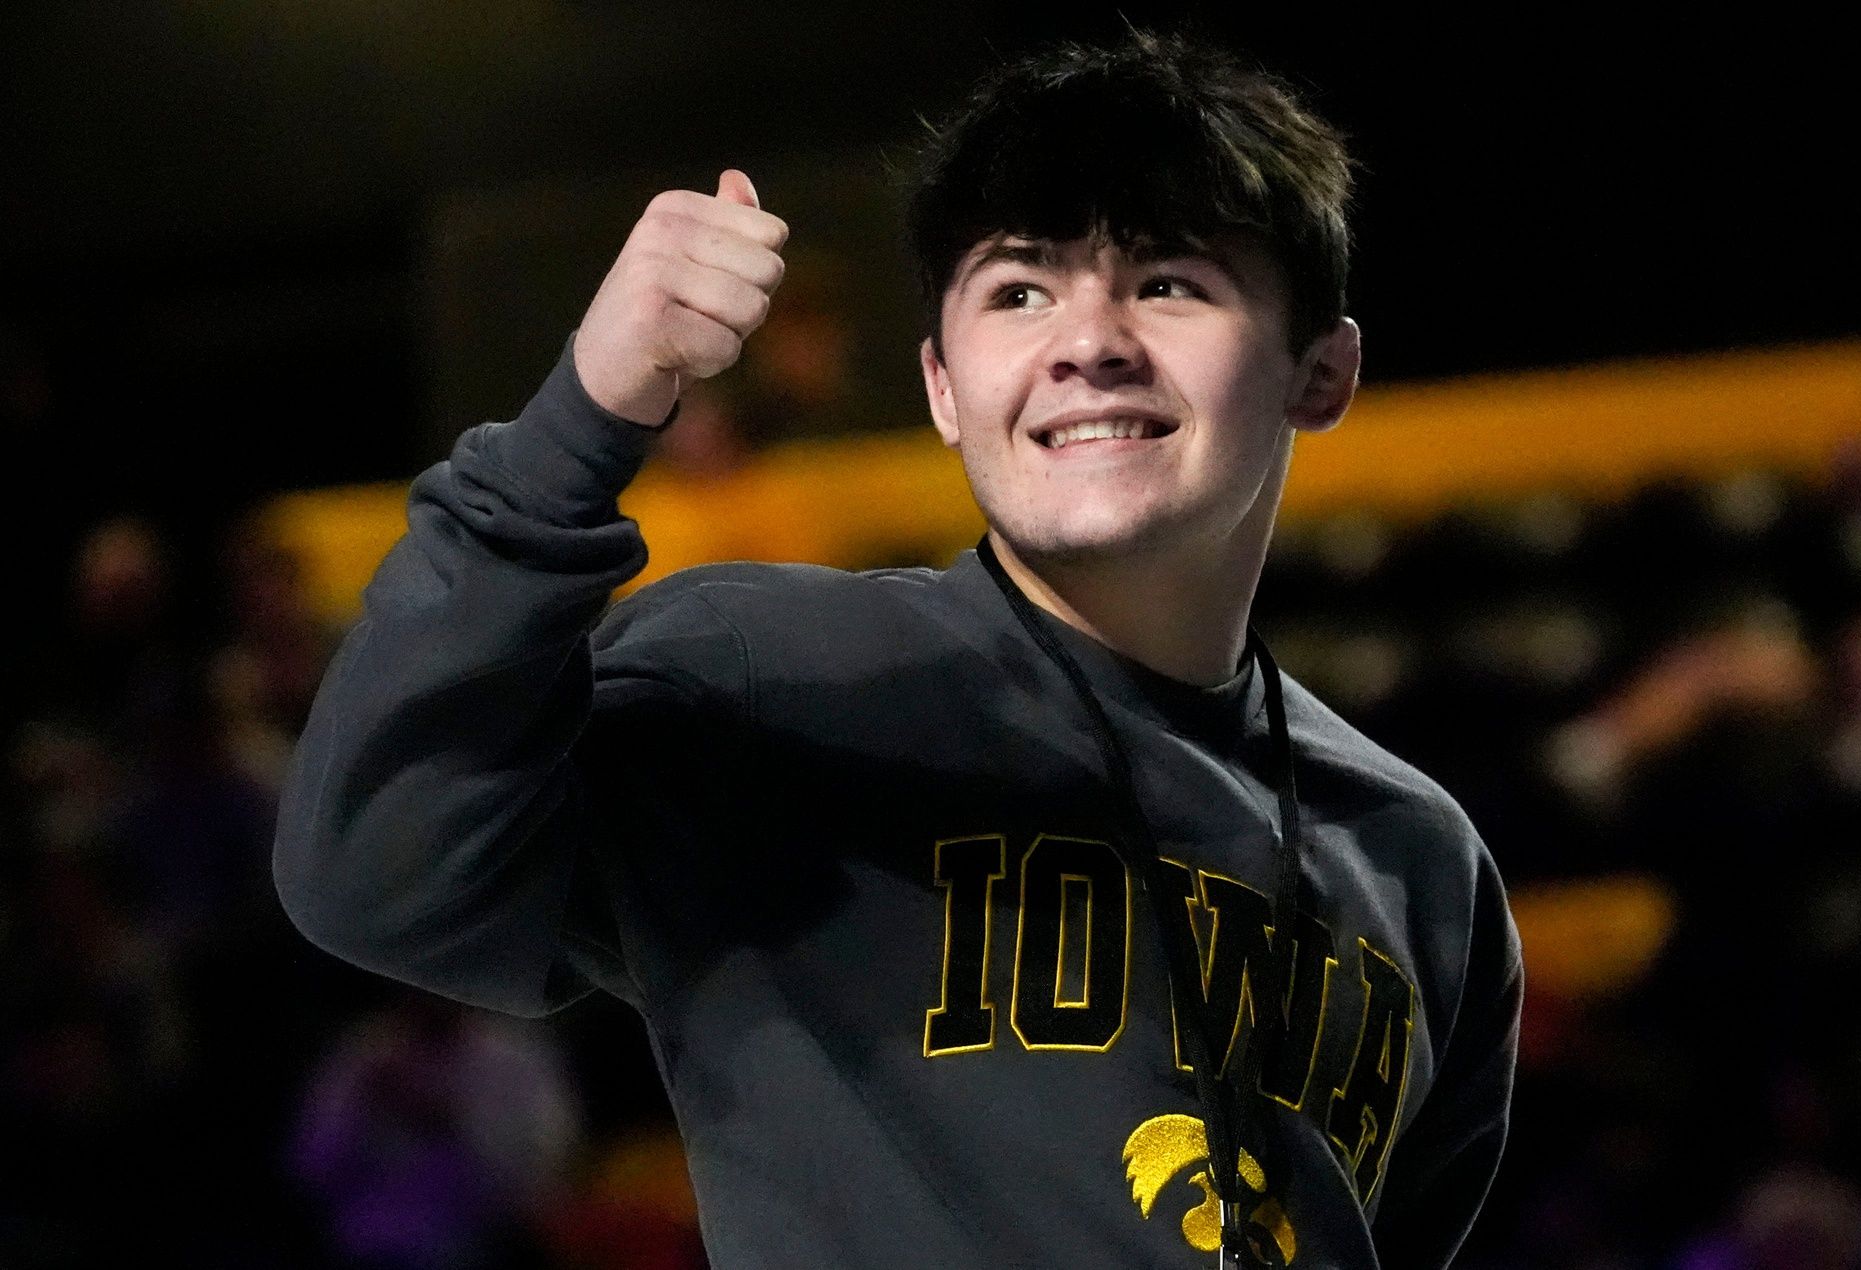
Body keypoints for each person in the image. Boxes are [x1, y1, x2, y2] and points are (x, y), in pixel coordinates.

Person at [274, 27, 1522, 1269]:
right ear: (939, 385)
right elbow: (377, 876)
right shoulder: (772, 679)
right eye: (1018, 291)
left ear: (1322, 369)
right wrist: (583, 419)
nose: (1087, 342)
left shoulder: (1420, 864)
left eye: (1169, 282)